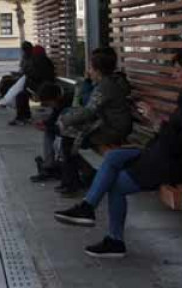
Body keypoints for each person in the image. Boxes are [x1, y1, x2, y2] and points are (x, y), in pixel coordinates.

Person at [53, 50, 182, 258]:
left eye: (179, 71)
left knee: (116, 185)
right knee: (114, 157)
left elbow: (181, 144)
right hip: (165, 153)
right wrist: (158, 129)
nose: (174, 75)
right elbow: (177, 135)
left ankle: (115, 240)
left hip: (179, 165)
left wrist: (156, 122)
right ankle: (87, 207)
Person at [55, 49, 133, 196]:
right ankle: (77, 179)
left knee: (68, 140)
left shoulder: (105, 86)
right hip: (111, 126)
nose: (89, 71)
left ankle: (76, 181)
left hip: (113, 130)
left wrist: (65, 120)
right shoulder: (107, 83)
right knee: (68, 136)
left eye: (90, 68)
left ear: (98, 70)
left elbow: (89, 111)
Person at [29, 82, 73, 182]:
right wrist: (45, 123)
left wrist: (48, 127)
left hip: (73, 130)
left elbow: (64, 126)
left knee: (52, 134)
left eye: (49, 103)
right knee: (48, 132)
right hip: (67, 128)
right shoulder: (59, 101)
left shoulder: (67, 103)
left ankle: (49, 166)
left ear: (56, 97)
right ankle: (49, 165)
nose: (49, 105)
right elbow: (54, 117)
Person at [10, 42, 43, 125]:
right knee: (17, 89)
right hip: (33, 83)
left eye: (25, 50)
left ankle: (22, 116)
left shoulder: (36, 60)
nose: (24, 51)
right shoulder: (28, 58)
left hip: (38, 85)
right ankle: (24, 115)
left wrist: (22, 75)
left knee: (20, 94)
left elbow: (33, 74)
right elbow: (25, 71)